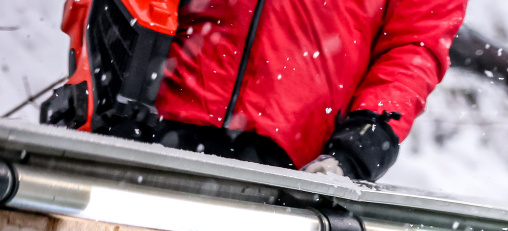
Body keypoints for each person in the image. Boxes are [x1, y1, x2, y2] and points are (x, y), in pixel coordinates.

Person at [42, 0, 467, 183]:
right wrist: (101, 88)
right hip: (152, 122)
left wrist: (368, 136)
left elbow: (416, 44)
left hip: (288, 164)